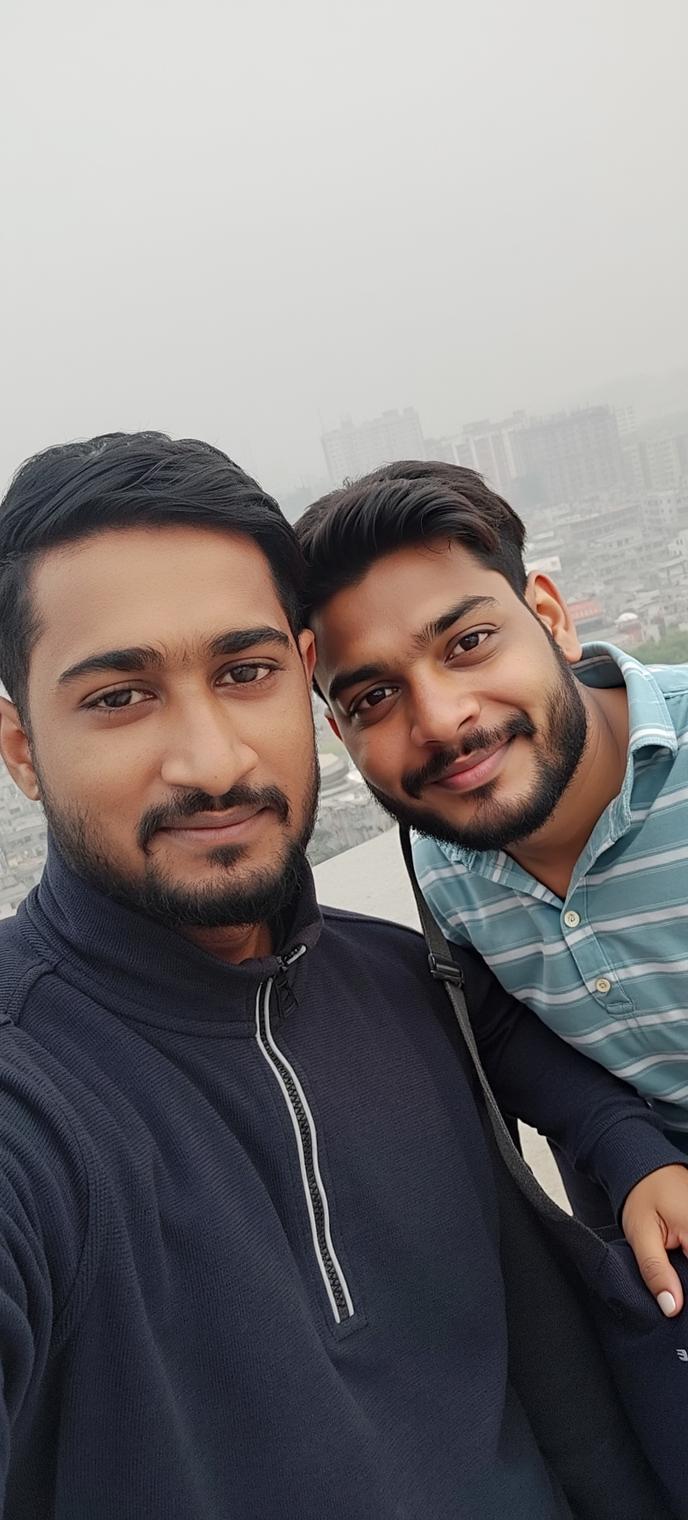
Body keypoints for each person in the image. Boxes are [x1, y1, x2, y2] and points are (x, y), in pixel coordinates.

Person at [0, 434, 686, 1520]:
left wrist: (623, 1144)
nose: (214, 759)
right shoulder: (31, 1088)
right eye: (120, 695)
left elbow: (509, 1039)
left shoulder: (404, 978)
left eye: (244, 671)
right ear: (22, 746)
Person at [296, 459, 688, 1225]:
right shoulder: (442, 857)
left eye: (469, 642)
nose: (441, 720)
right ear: (341, 735)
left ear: (552, 615)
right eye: (374, 697)